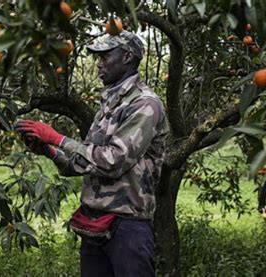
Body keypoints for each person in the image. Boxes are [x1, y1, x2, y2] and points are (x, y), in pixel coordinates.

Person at [15, 30, 168, 277]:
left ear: (127, 56)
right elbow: (88, 161)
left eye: (105, 56)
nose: (99, 63)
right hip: (95, 224)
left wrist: (58, 138)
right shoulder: (108, 107)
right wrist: (50, 151)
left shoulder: (144, 104)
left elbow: (113, 161)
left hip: (128, 226)